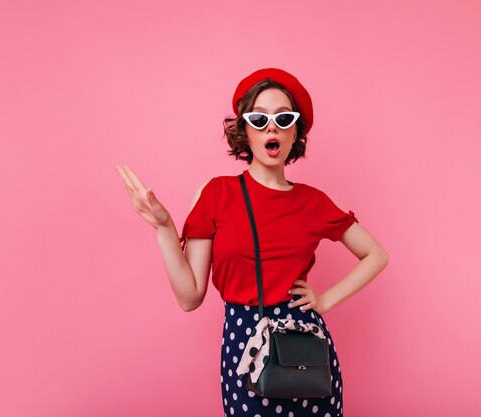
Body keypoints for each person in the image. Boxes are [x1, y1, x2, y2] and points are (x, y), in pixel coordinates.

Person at [116, 68, 388, 417]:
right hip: (244, 349)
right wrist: (164, 226)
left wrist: (325, 300)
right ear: (244, 131)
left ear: (295, 133)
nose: (271, 127)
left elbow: (376, 255)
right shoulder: (217, 194)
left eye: (283, 118)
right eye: (259, 119)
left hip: (305, 349)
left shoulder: (314, 202)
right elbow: (189, 297)